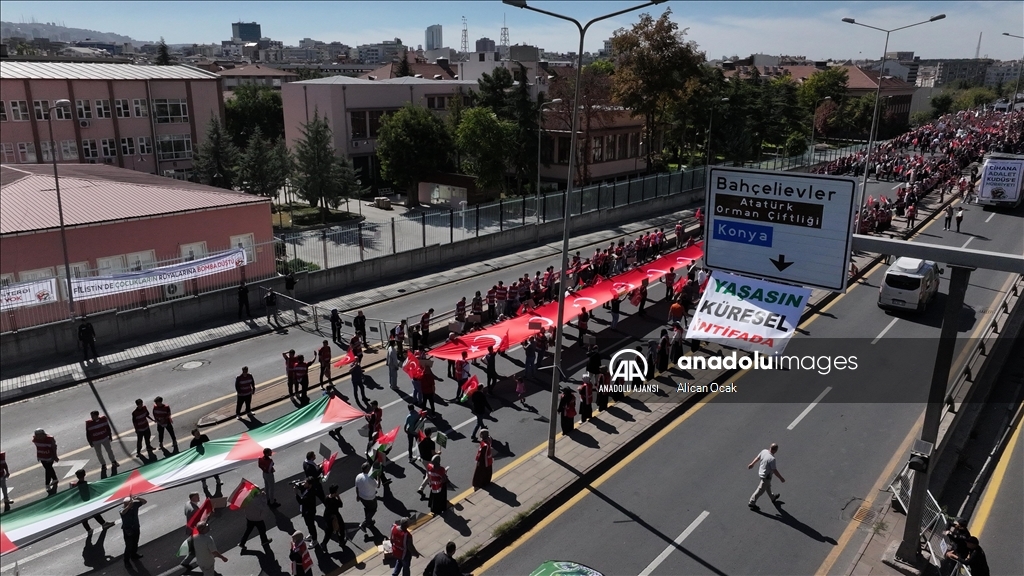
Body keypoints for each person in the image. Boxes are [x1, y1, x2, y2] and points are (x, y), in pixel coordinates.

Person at [747, 443, 785, 510]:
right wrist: (781, 478)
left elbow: (757, 458)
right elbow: (774, 470)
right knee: (760, 490)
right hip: (766, 477)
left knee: (768, 486)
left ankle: (773, 498)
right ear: (775, 450)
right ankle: (752, 502)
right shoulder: (772, 459)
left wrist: (752, 464)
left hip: (761, 473)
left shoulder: (764, 451)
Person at [119, 495, 146, 568]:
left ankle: (134, 555)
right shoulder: (122, 509)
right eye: (125, 503)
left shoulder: (135, 505)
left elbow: (144, 502)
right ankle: (126, 560)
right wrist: (128, 507)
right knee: (128, 545)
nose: (126, 504)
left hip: (136, 527)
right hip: (128, 529)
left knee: (135, 542)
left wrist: (138, 498)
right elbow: (123, 512)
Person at [31, 428, 59, 494]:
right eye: (38, 436)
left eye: (41, 435)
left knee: (48, 469)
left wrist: (55, 456)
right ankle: (54, 479)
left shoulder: (50, 439)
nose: (40, 437)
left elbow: (54, 448)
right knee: (48, 469)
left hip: (49, 457)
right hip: (42, 456)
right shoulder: (35, 440)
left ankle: (48, 483)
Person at [355, 462, 380, 531]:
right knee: (373, 509)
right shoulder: (370, 478)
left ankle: (369, 522)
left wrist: (357, 495)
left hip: (362, 497)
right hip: (370, 498)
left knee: (367, 508)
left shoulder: (358, 476)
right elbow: (378, 485)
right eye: (369, 468)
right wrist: (378, 476)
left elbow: (357, 487)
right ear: (367, 469)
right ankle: (365, 523)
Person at [295, 477, 320, 546]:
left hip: (309, 512)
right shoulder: (308, 488)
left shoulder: (310, 494)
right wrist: (298, 485)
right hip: (306, 511)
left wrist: (296, 493)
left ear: (310, 485)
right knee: (308, 524)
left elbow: (301, 501)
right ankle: (311, 534)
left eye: (306, 483)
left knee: (311, 525)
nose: (304, 484)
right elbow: (302, 488)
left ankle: (314, 540)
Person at [322, 484, 346, 549]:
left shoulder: (327, 497)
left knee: (329, 531)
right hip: (335, 515)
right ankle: (341, 541)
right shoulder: (335, 501)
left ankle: (324, 543)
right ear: (335, 492)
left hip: (327, 515)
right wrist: (338, 497)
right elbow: (341, 504)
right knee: (341, 527)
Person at [180, 492, 201, 569]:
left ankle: (186, 562)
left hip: (190, 529)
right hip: (194, 530)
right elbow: (200, 520)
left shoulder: (187, 504)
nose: (199, 498)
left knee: (195, 546)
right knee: (196, 547)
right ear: (192, 498)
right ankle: (186, 562)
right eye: (197, 497)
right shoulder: (194, 509)